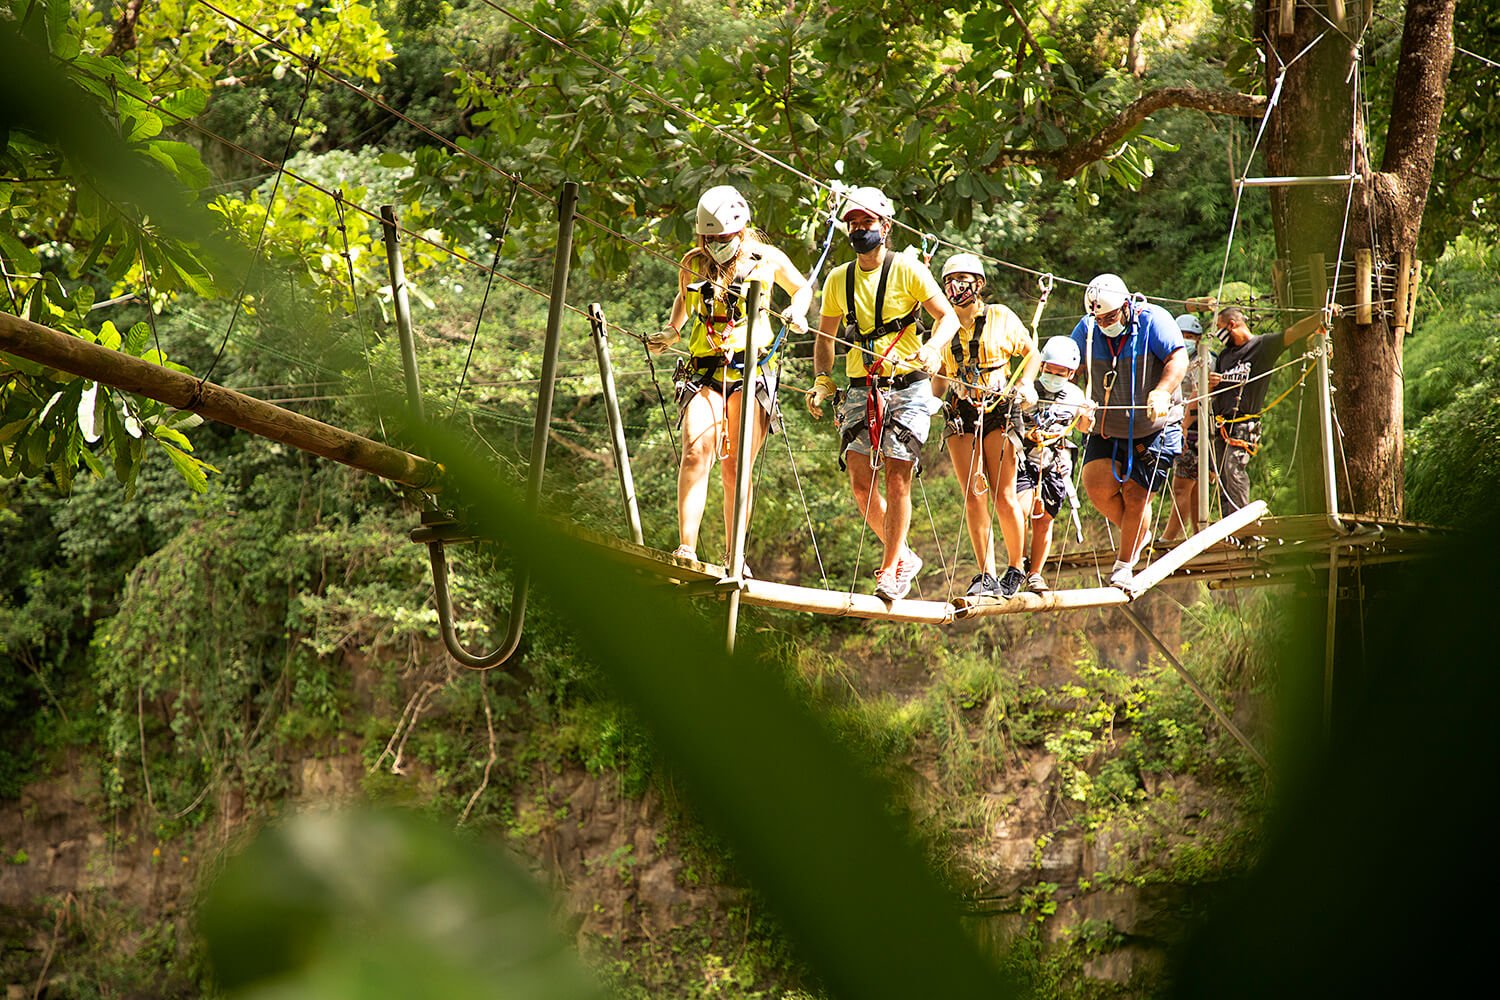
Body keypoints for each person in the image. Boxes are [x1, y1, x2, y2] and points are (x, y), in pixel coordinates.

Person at [806, 186, 959, 601]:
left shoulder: (908, 270)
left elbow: (947, 318)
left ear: (885, 227)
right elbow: (826, 337)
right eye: (853, 224)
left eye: (866, 223)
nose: (859, 230)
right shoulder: (839, 279)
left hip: (907, 386)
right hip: (862, 386)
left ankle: (890, 570)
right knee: (859, 481)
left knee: (897, 478)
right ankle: (904, 555)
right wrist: (823, 377)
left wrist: (930, 348)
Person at [648, 185, 812, 565]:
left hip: (750, 368)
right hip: (705, 370)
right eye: (709, 239)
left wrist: (796, 311)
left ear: (740, 230)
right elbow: (684, 298)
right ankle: (686, 547)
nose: (715, 245)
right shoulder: (694, 262)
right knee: (694, 452)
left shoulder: (765, 258)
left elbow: (801, 287)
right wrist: (673, 330)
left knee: (736, 467)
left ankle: (733, 554)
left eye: (722, 239)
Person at [931, 252, 1039, 600]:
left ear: (978, 285)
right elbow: (939, 379)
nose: (955, 286)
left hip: (999, 408)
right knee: (974, 495)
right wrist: (929, 395)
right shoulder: (942, 325)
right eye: (949, 281)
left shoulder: (1000, 316)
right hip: (961, 409)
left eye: (963, 280)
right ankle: (985, 573)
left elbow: (1031, 353)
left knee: (1003, 493)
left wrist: (1026, 384)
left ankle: (1015, 567)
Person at [1068, 273, 1188, 589]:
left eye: (1110, 316)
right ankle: (1137, 533)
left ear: (1125, 305)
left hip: (1154, 426)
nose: (1105, 322)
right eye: (1099, 317)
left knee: (1137, 496)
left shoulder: (1154, 320)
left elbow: (1178, 357)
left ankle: (1124, 564)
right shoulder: (1088, 328)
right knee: (1095, 487)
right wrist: (1076, 402)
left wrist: (1162, 391)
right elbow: (1069, 366)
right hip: (1107, 426)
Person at [1198, 302, 1334, 515]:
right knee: (1222, 476)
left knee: (1233, 470)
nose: (1218, 335)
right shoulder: (1225, 356)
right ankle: (1229, 525)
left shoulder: (1262, 346)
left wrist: (1320, 316)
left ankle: (1242, 523)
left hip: (1243, 424)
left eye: (1220, 328)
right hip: (1222, 424)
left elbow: (1293, 332)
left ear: (1232, 325)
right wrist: (1212, 383)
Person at [1013, 336, 1092, 592]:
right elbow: (1010, 424)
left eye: (1060, 373)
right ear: (1042, 366)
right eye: (1049, 370)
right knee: (1021, 510)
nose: (1053, 376)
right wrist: (1028, 435)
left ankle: (1035, 573)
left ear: (1070, 373)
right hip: (1024, 458)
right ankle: (1018, 563)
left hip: (1055, 463)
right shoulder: (1027, 389)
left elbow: (1082, 428)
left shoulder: (1075, 395)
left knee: (1045, 519)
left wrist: (1087, 415)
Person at [1163, 312, 1209, 542]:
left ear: (1199, 339)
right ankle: (1200, 537)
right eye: (1183, 335)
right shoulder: (1169, 358)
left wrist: (1183, 426)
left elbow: (1198, 393)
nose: (1188, 339)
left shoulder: (1205, 360)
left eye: (1192, 335)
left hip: (1192, 430)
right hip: (1178, 426)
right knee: (1193, 491)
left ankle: (1167, 540)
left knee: (1182, 488)